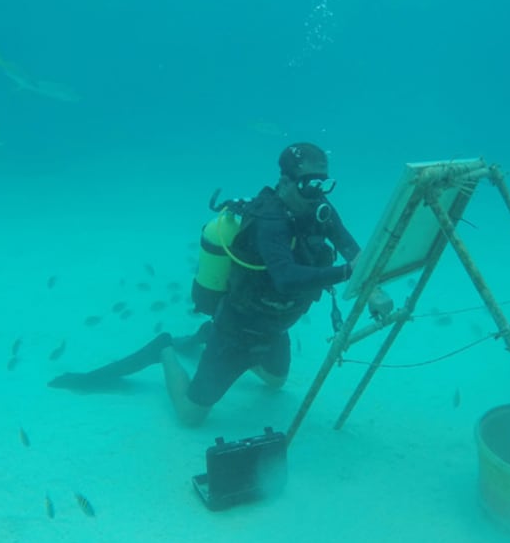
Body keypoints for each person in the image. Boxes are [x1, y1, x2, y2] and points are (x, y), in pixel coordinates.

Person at [49, 142, 362, 426]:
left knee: (275, 382)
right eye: (309, 184)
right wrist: (348, 273)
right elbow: (286, 277)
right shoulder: (270, 222)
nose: (317, 193)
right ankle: (165, 350)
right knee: (190, 414)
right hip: (237, 328)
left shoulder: (319, 208)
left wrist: (372, 288)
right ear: (285, 181)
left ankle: (213, 343)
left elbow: (352, 251)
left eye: (324, 184)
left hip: (276, 326)